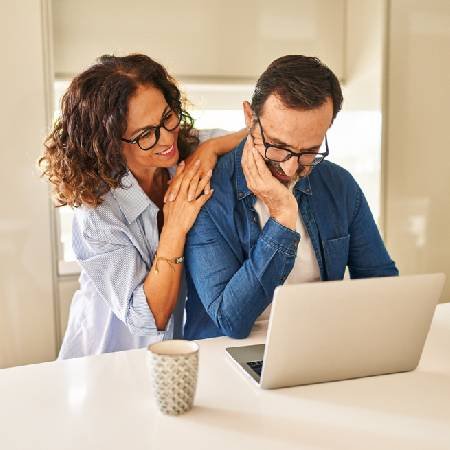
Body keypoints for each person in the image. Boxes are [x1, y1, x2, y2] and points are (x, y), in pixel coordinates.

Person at [40, 54, 245, 358]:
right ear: (109, 145)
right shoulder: (97, 214)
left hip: (172, 357)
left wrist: (211, 148)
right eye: (146, 134)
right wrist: (175, 225)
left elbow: (259, 138)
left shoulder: (185, 151)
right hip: (107, 359)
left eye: (167, 117)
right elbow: (151, 317)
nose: (166, 139)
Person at [184, 55, 399, 340]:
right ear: (250, 118)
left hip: (319, 345)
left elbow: (381, 285)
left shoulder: (339, 185)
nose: (290, 168)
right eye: (278, 146)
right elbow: (230, 320)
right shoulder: (206, 191)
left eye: (309, 150)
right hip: (227, 356)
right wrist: (282, 218)